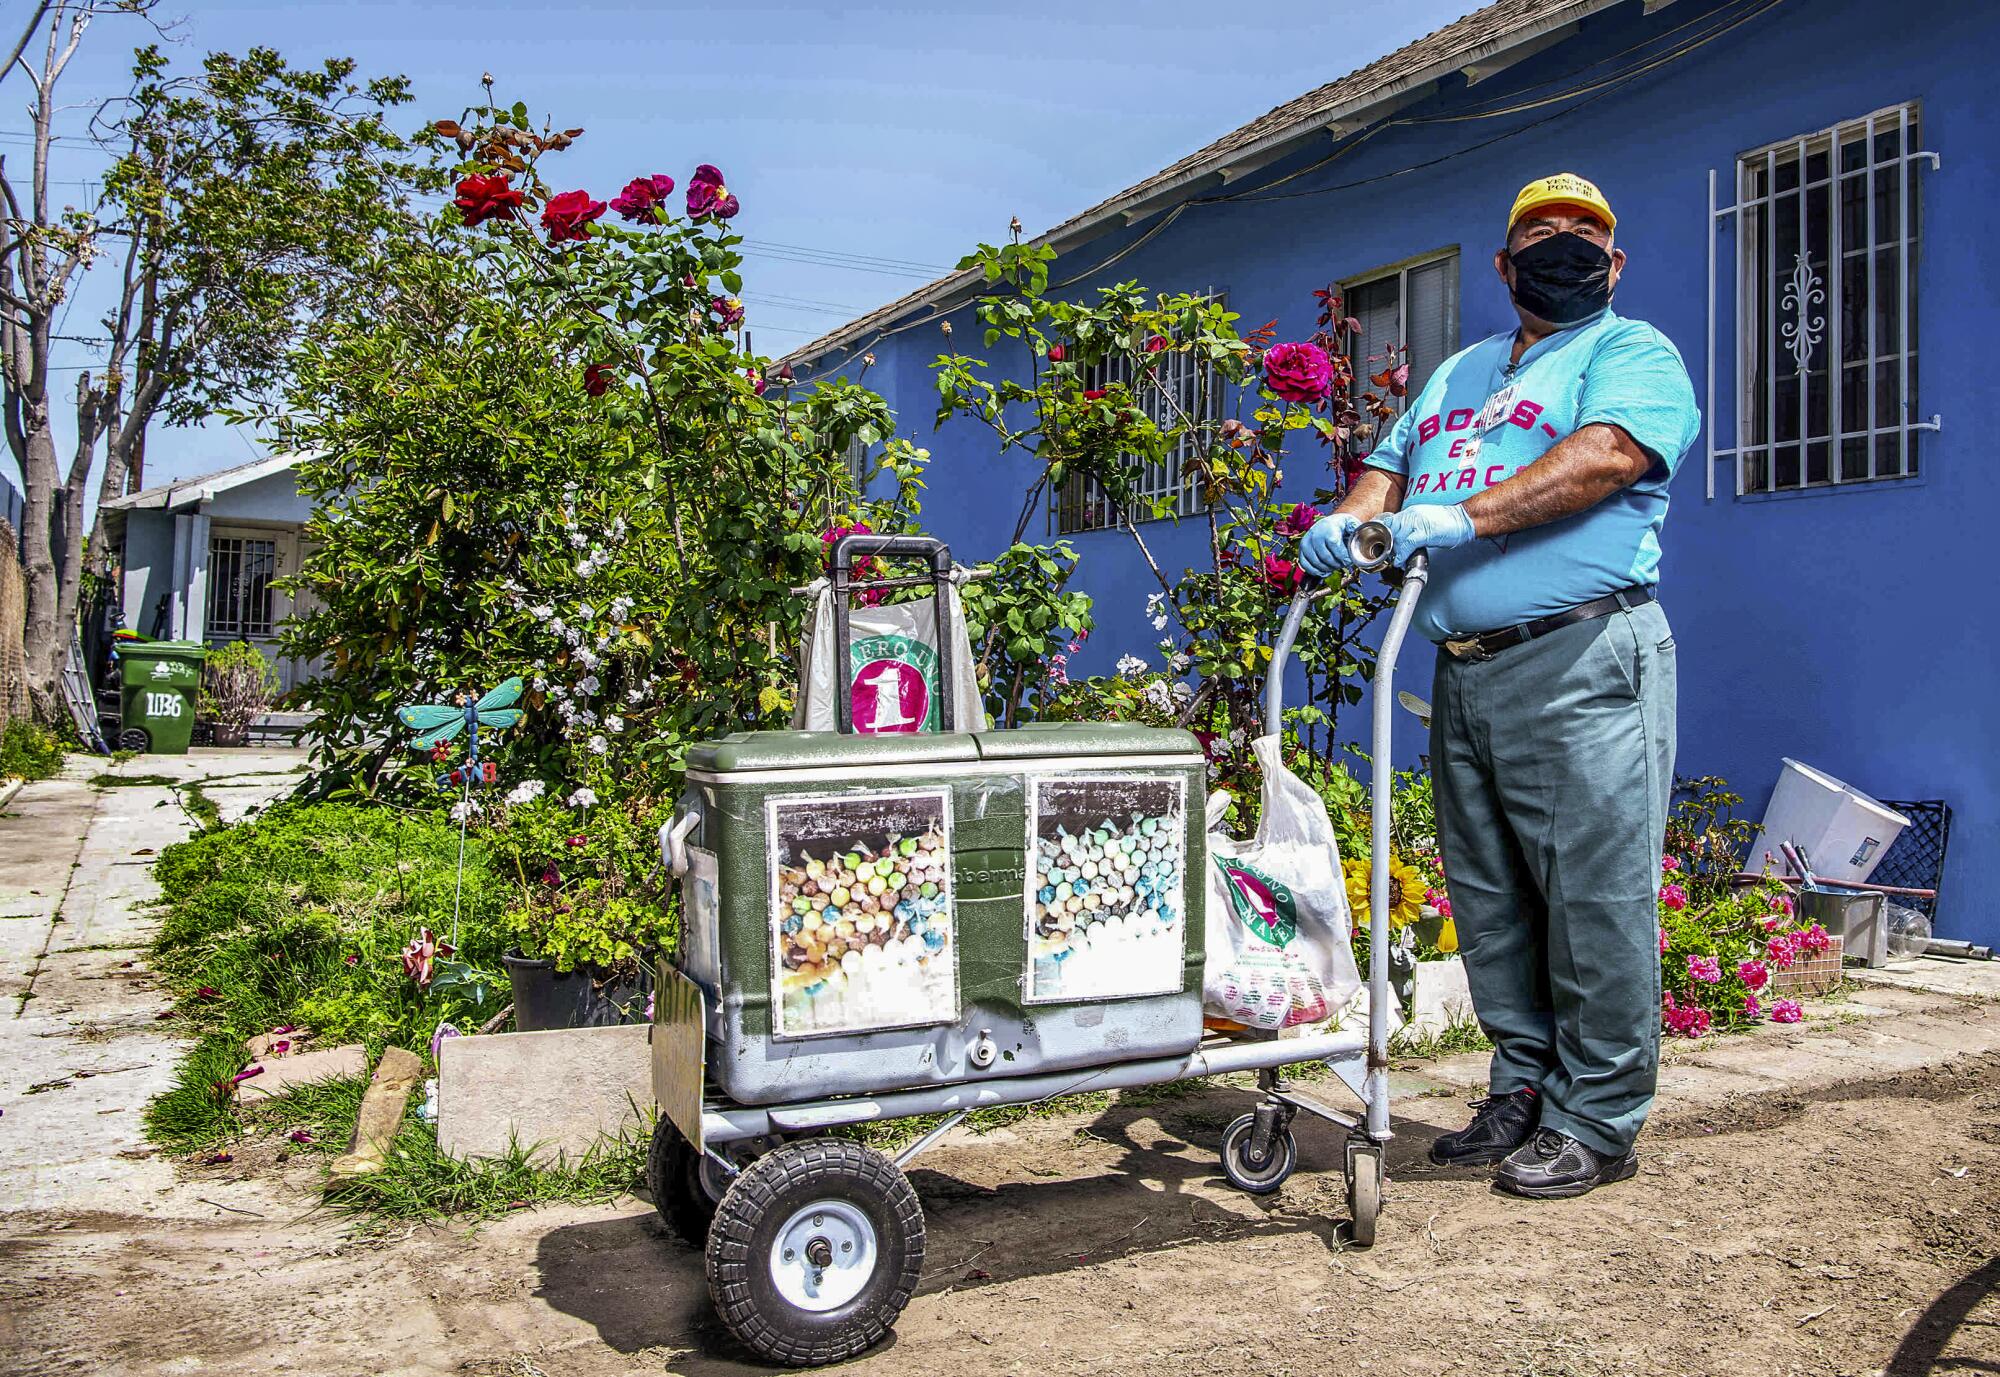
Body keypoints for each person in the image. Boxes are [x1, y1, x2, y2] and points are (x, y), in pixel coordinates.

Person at [1300, 173, 1699, 1198]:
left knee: (1591, 896)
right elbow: (1388, 468)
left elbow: (1603, 456)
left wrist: (1463, 518)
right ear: (1501, 263)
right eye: (1538, 233)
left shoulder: (1628, 353)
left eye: (1583, 234)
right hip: (1461, 671)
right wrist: (1353, 520)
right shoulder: (1459, 372)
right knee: (1490, 903)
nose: (1560, 245)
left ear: (1612, 263)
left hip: (1577, 658)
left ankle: (1596, 1116)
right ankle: (1521, 1085)